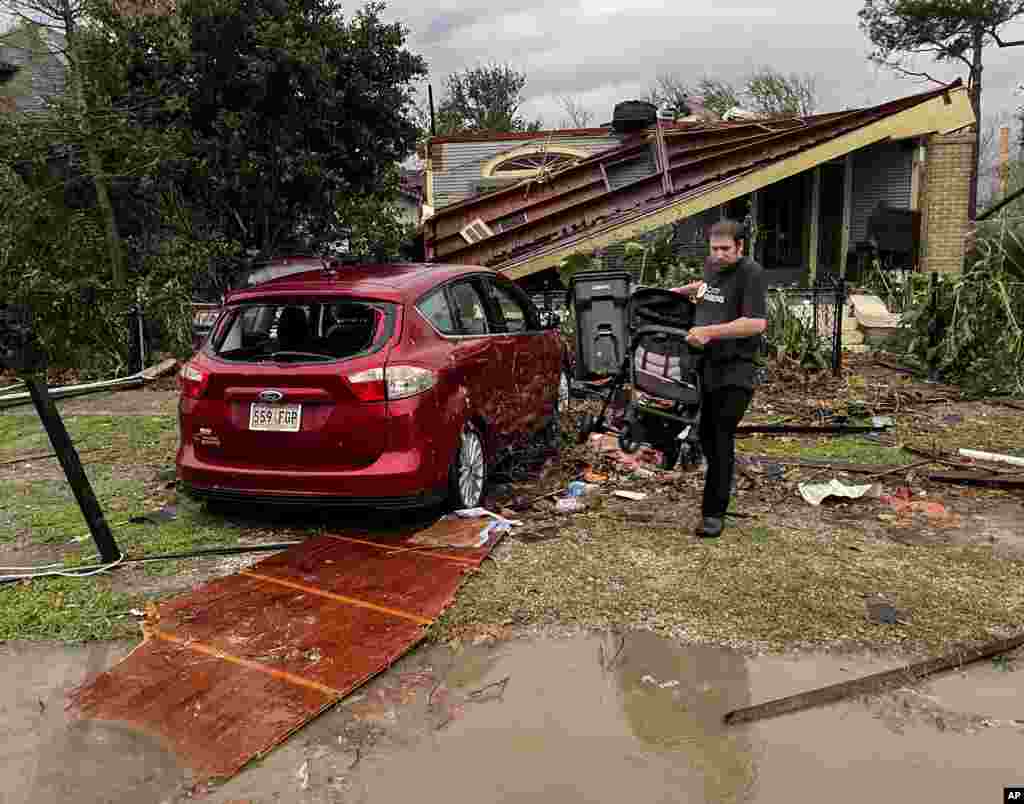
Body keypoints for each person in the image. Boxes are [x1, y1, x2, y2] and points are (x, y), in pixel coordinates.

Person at [673, 219, 767, 538]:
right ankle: (718, 490)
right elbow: (707, 290)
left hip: (736, 369)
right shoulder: (713, 267)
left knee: (720, 436)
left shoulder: (751, 273)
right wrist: (677, 292)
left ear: (741, 247)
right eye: (714, 249)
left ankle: (714, 514)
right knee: (710, 438)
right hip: (708, 366)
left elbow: (756, 323)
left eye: (726, 249)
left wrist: (709, 332)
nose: (719, 254)